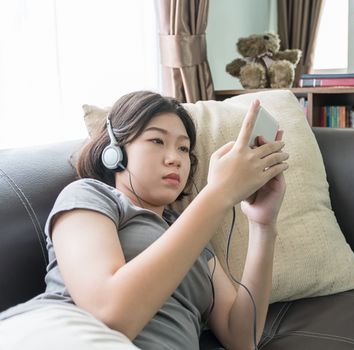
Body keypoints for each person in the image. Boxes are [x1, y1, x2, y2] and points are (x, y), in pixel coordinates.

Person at [0, 91, 289, 349]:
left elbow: (241, 338)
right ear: (115, 152)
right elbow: (109, 316)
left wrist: (262, 224)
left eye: (184, 148)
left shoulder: (193, 235)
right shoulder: (89, 196)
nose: (174, 158)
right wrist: (218, 194)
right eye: (157, 140)